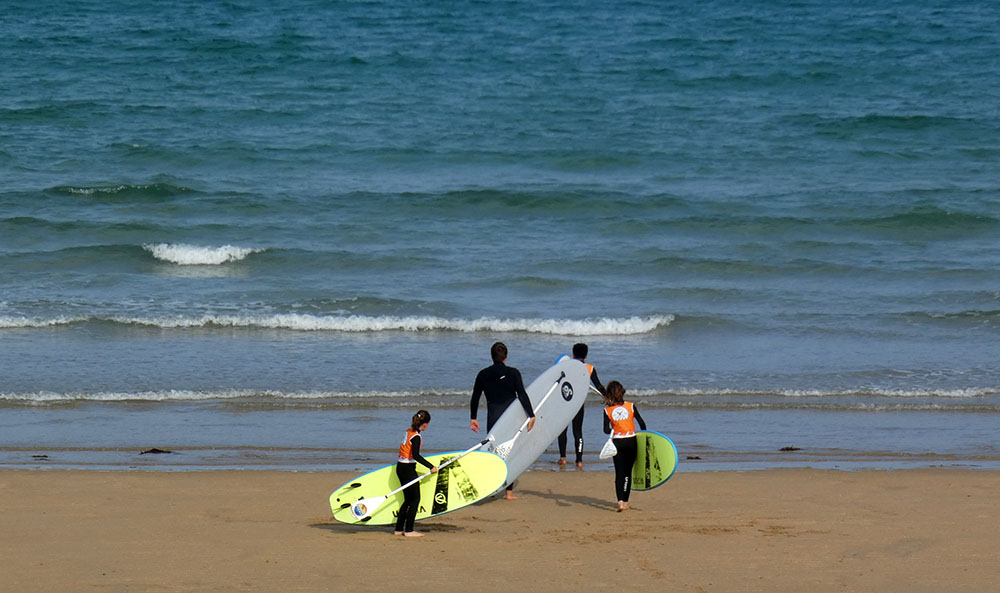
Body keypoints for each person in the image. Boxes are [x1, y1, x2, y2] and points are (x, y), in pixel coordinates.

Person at [470, 341, 535, 500]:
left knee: (494, 451)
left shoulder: (483, 374)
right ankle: (509, 492)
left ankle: (492, 487)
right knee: (510, 451)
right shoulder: (513, 373)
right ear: (506, 356)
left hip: (493, 416)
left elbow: (475, 397)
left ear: (492, 356)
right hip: (511, 417)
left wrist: (473, 418)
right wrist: (531, 415)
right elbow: (522, 395)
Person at [557, 343, 605, 468]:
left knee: (562, 430)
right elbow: (598, 386)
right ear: (586, 355)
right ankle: (579, 461)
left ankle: (563, 458)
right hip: (579, 403)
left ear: (573, 354)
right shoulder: (589, 368)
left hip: (565, 401)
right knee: (577, 432)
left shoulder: (566, 366)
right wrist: (607, 396)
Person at [602, 381, 646, 512]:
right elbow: (642, 424)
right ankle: (626, 502)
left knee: (619, 473)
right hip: (631, 441)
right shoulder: (631, 406)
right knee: (628, 473)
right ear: (622, 392)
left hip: (617, 443)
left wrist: (614, 428)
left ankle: (620, 502)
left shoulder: (607, 410)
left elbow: (605, 429)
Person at [395, 410, 437, 537]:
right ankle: (409, 530)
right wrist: (431, 467)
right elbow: (416, 456)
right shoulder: (416, 437)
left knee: (407, 500)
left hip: (400, 467)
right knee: (415, 500)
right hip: (408, 469)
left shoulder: (408, 432)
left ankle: (398, 529)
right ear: (424, 424)